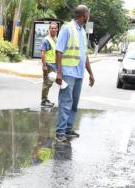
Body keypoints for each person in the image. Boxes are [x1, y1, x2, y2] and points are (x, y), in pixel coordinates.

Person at [55, 5, 96, 142]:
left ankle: (68, 129)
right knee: (65, 102)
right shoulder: (67, 28)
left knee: (73, 104)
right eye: (88, 13)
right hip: (67, 72)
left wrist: (90, 73)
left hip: (79, 73)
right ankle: (60, 132)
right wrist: (59, 73)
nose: (89, 16)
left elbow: (84, 55)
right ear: (84, 15)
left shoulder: (82, 31)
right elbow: (59, 51)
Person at [40, 21, 59, 107]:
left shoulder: (57, 39)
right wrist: (44, 65)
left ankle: (45, 99)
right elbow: (43, 53)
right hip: (48, 64)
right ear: (49, 29)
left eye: (55, 28)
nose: (53, 30)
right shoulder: (46, 40)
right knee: (47, 82)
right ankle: (44, 100)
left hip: (54, 64)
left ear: (57, 29)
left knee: (50, 82)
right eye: (52, 28)